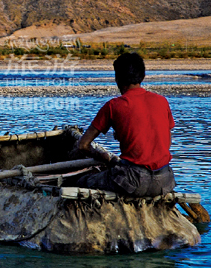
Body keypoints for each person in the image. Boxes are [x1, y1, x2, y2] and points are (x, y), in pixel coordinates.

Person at [75, 52, 176, 197]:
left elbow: (83, 145)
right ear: (142, 76)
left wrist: (100, 155)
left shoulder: (113, 106)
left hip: (133, 182)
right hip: (165, 180)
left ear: (117, 79)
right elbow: (165, 142)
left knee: (82, 181)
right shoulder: (162, 101)